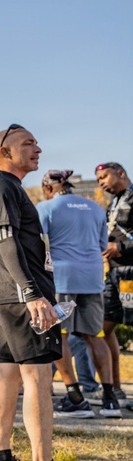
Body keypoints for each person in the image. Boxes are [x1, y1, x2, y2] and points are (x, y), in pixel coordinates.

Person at [0, 125, 90, 461]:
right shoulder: (3, 187)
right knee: (39, 378)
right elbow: (7, 242)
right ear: (5, 151)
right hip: (21, 298)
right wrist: (32, 293)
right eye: (28, 143)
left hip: (4, 297)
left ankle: (1, 460)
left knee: (8, 374)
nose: (38, 148)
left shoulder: (3, 188)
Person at [36, 169, 119, 418]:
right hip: (93, 277)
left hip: (63, 278)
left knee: (58, 335)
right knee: (95, 335)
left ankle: (75, 396)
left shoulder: (47, 207)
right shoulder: (94, 207)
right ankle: (110, 399)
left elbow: (37, 242)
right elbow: (103, 245)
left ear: (48, 188)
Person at [94, 161, 133, 409]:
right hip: (113, 275)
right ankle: (115, 389)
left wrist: (120, 247)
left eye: (104, 177)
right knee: (103, 327)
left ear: (120, 173)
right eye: (98, 180)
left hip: (131, 273)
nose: (101, 183)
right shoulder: (114, 202)